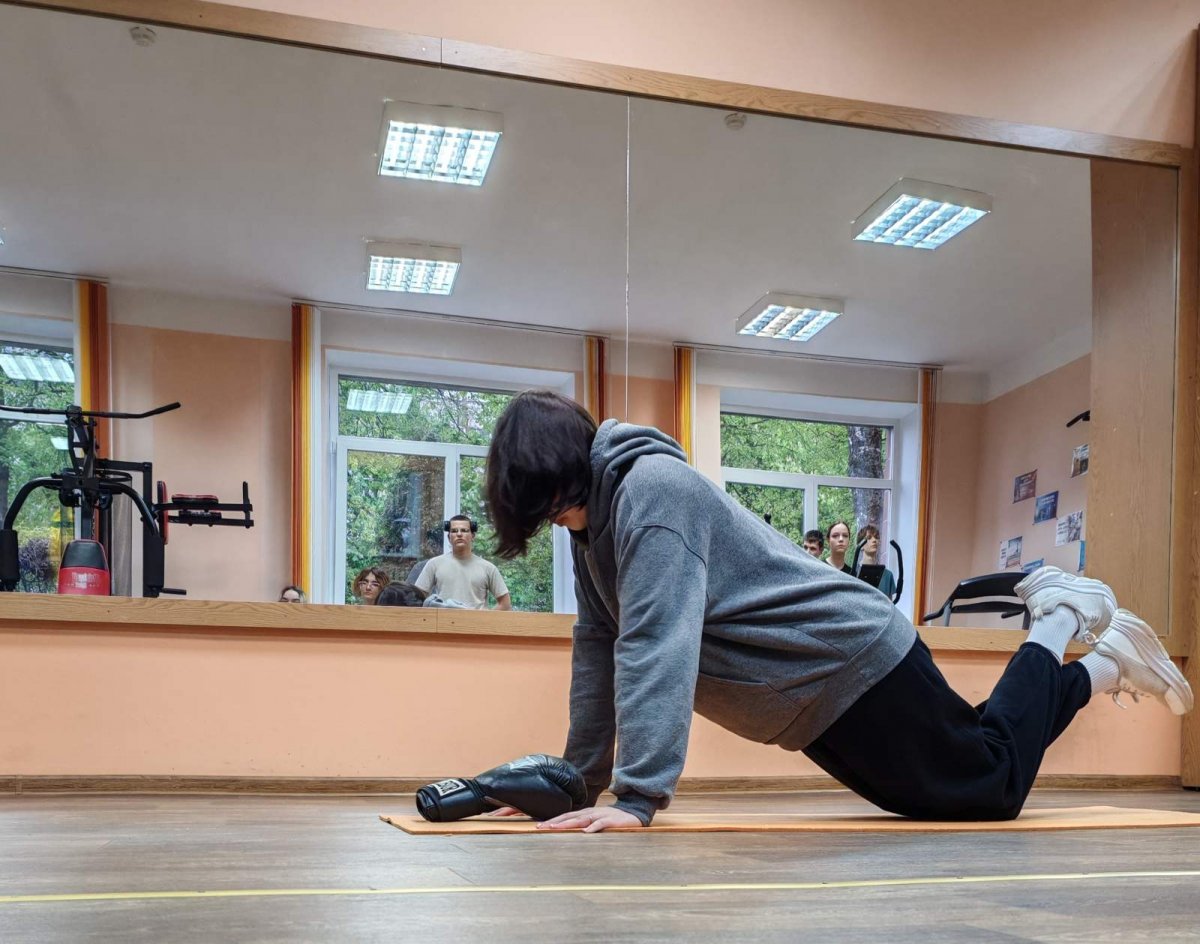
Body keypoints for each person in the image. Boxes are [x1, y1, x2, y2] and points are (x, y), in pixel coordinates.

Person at [482, 389, 1193, 832]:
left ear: (572, 468)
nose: (558, 521)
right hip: (811, 692)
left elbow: (656, 645)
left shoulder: (651, 493)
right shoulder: (593, 530)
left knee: (989, 786)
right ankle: (1102, 665)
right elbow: (598, 653)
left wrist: (635, 799)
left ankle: (1059, 618)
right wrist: (574, 786)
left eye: (557, 505)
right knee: (977, 757)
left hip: (847, 655)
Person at [414, 514, 512, 610]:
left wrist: (485, 619)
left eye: (464, 530)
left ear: (472, 536)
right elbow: (416, 598)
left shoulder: (488, 568)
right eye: (454, 531)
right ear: (449, 537)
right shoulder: (434, 564)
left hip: (475, 621)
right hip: (445, 620)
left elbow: (505, 603)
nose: (459, 534)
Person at [855, 524, 896, 599]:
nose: (874, 540)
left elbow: (889, 603)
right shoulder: (853, 573)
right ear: (861, 545)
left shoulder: (888, 575)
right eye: (869, 538)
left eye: (876, 537)